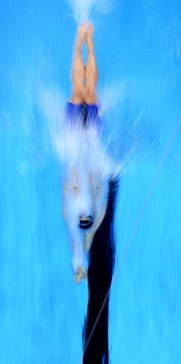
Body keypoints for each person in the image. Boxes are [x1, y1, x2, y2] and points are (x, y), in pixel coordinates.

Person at [62, 23, 109, 284]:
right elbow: (92, 227)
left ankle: (77, 42)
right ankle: (90, 44)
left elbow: (74, 238)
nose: (83, 214)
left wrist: (79, 263)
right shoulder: (97, 203)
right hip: (92, 135)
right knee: (90, 92)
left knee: (76, 92)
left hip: (72, 134)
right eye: (86, 217)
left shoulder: (69, 204)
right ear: (90, 215)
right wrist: (90, 236)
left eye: (80, 217)